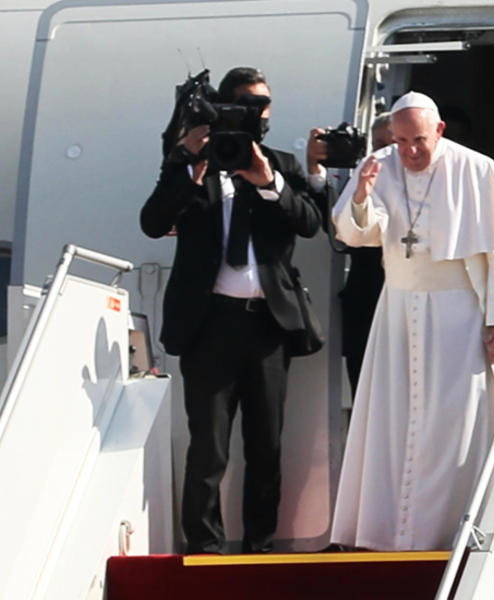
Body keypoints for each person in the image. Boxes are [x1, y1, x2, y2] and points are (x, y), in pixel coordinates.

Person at [140, 66, 331, 554]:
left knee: (266, 445)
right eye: (247, 103)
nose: (257, 113)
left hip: (267, 325)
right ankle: (203, 547)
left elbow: (310, 223)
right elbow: (153, 221)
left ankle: (262, 545)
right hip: (209, 325)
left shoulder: (281, 165)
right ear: (226, 107)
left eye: (263, 104)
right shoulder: (192, 162)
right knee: (209, 446)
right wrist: (189, 163)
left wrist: (269, 183)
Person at [329, 91, 494, 551]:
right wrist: (360, 195)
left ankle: (449, 531)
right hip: (399, 311)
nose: (410, 152)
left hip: (459, 312)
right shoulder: (381, 163)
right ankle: (390, 533)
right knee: (394, 423)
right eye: (401, 142)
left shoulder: (477, 169)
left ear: (438, 131)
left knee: (454, 425)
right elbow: (356, 233)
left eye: (418, 140)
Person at [309, 114, 390, 397]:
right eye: (381, 145)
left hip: (409, 314)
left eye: (396, 144)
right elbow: (338, 234)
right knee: (365, 399)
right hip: (365, 308)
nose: (388, 153)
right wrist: (317, 171)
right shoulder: (363, 180)